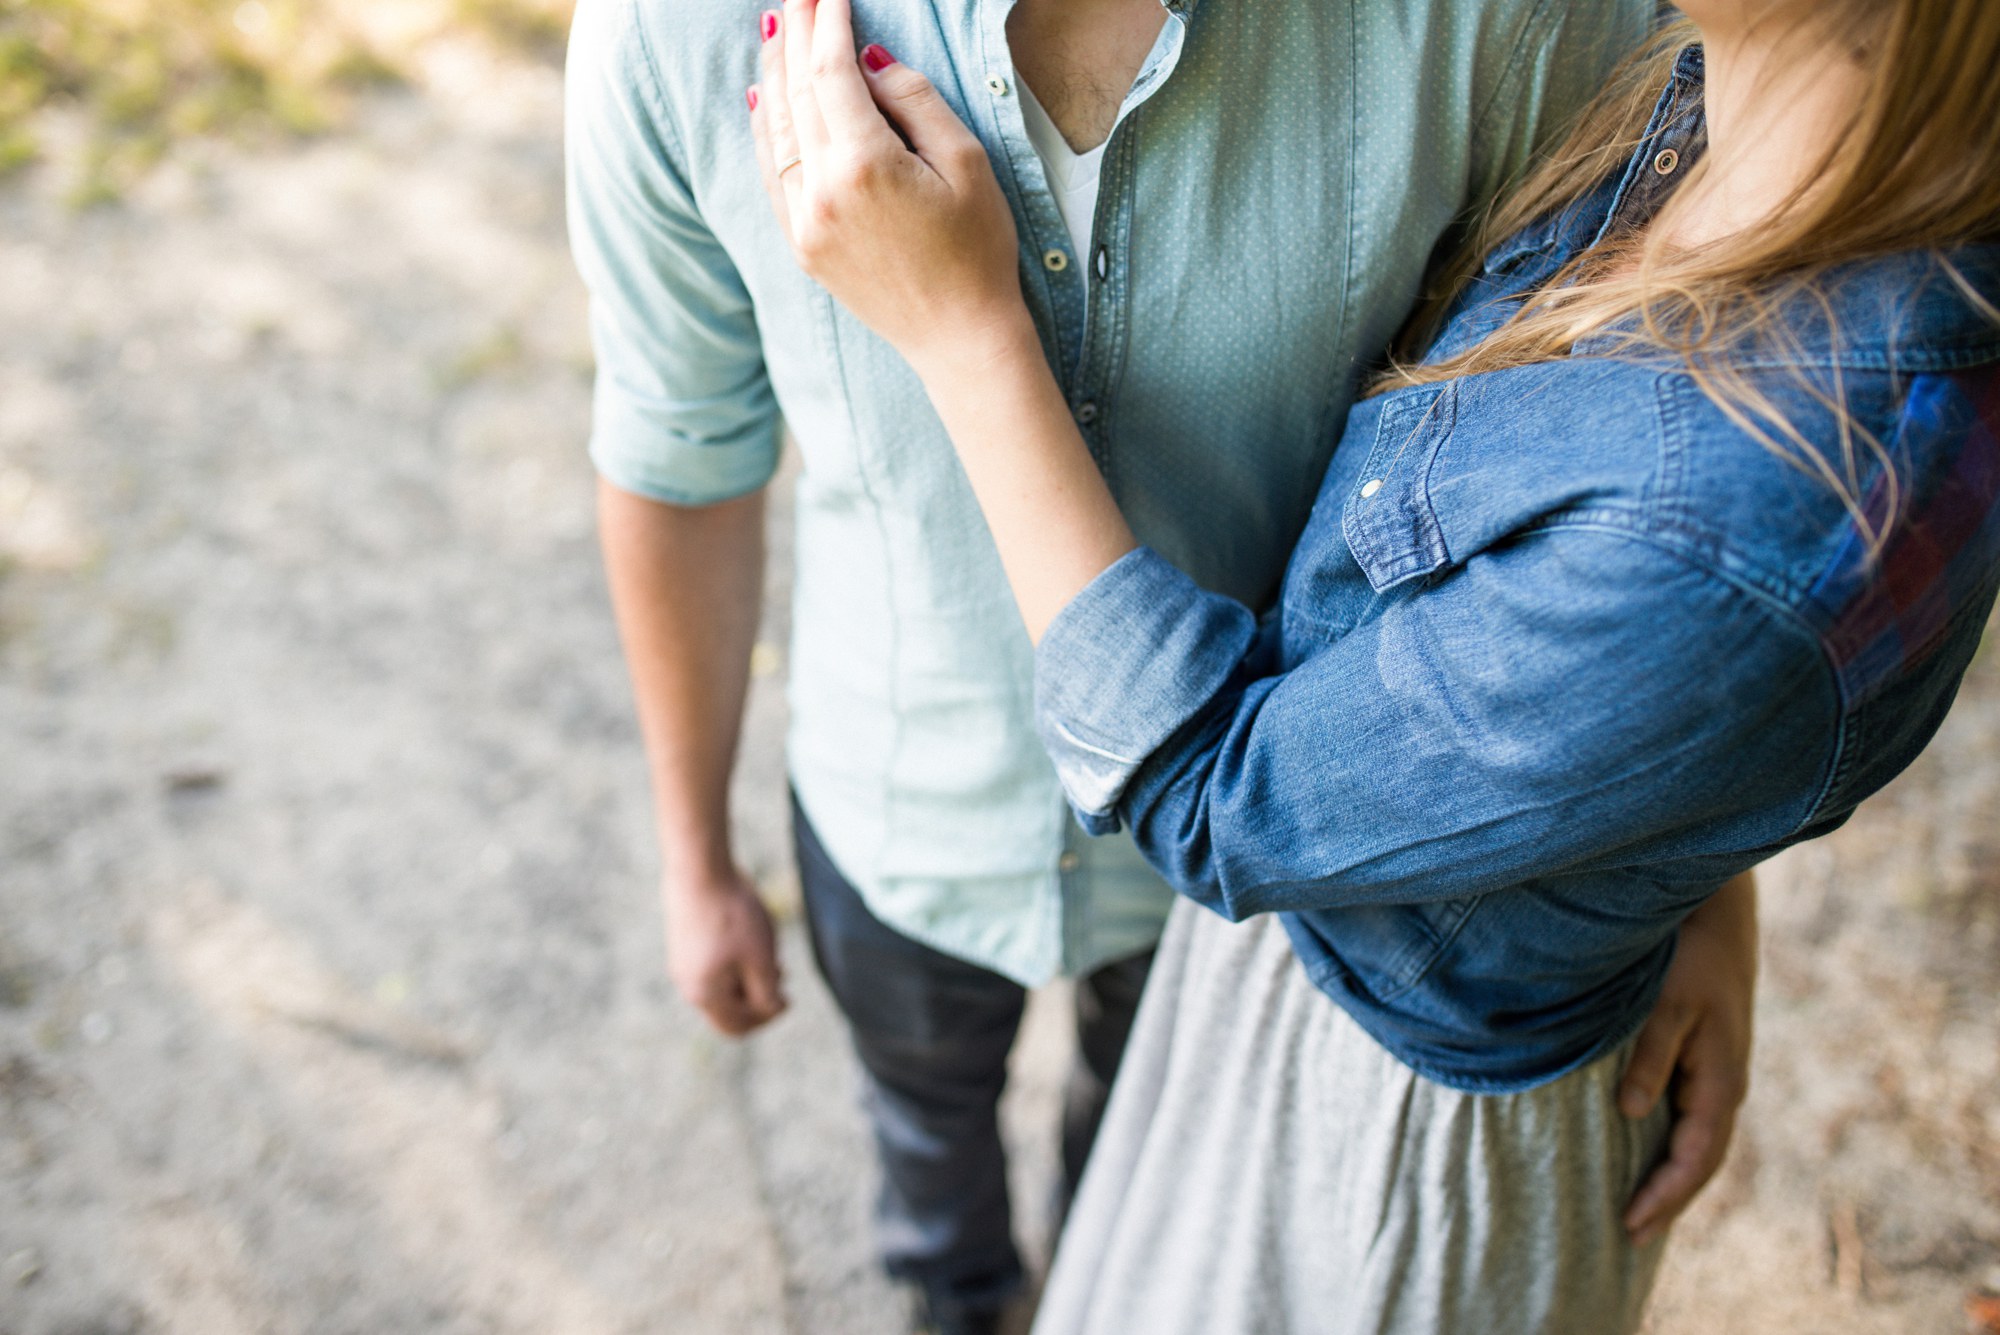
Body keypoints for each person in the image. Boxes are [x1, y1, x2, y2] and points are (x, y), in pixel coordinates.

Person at [745, 0, 2000, 1329]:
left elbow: (1219, 794)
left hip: (1387, 1128)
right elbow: (1686, 679)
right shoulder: (1757, 116)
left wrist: (961, 330)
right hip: (1341, 934)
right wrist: (1693, 872)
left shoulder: (1758, 523)